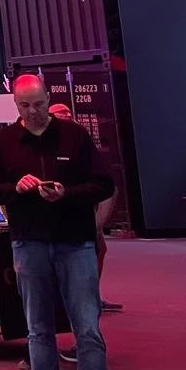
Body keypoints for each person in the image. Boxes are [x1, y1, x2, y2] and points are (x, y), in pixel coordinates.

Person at [0, 76, 124, 370]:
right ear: (16, 105)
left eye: (38, 104)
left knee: (88, 331)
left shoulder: (75, 137)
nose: (33, 112)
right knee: (38, 331)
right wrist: (16, 188)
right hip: (28, 244)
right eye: (24, 106)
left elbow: (104, 185)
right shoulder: (3, 142)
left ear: (49, 98)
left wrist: (67, 193)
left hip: (74, 245)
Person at [49, 103, 123, 315]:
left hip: (83, 217)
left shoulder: (80, 143)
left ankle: (91, 296)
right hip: (58, 222)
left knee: (97, 252)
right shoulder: (48, 145)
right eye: (61, 114)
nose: (66, 117)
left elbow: (107, 186)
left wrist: (99, 222)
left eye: (69, 114)